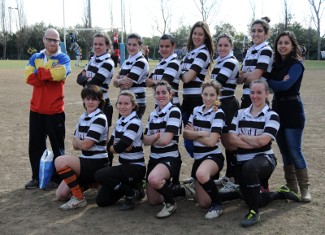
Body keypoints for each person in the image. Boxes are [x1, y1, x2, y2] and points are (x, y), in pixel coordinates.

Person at [228, 80, 300, 227]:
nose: (255, 96)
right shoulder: (240, 113)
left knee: (250, 167)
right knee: (254, 198)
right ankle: (281, 194)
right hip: (242, 161)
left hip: (265, 159)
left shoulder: (272, 115)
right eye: (252, 92)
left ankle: (254, 213)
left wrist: (242, 137)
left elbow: (264, 141)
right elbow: (231, 140)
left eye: (259, 92)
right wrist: (253, 141)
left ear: (267, 94)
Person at [24, 28, 71, 190]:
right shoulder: (36, 57)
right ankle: (36, 177)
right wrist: (47, 75)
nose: (52, 43)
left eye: (56, 40)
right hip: (36, 110)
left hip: (55, 111)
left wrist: (40, 73)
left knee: (58, 147)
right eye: (49, 39)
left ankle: (58, 180)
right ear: (43, 40)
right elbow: (28, 77)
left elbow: (60, 74)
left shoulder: (63, 58)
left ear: (59, 42)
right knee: (36, 145)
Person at [268, 31, 311, 202]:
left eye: (286, 43)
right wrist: (275, 82)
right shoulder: (275, 64)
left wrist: (274, 82)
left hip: (293, 109)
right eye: (280, 43)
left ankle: (305, 188)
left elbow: (286, 85)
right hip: (277, 109)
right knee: (285, 152)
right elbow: (269, 82)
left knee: (295, 151)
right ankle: (292, 187)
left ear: (292, 45)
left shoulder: (297, 64)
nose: (283, 46)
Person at [54, 85, 108, 210]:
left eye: (94, 99)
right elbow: (75, 145)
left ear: (99, 101)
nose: (90, 102)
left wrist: (79, 142)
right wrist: (80, 143)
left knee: (60, 161)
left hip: (97, 163)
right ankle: (92, 182)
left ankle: (78, 198)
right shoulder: (83, 117)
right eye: (87, 99)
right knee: (61, 195)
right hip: (85, 161)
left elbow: (86, 145)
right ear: (83, 100)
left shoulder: (99, 118)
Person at [95, 91, 146, 210]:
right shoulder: (120, 121)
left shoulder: (135, 122)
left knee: (99, 175)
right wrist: (119, 146)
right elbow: (109, 146)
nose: (122, 106)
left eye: (126, 103)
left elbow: (117, 148)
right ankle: (135, 188)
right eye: (120, 103)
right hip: (124, 167)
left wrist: (117, 146)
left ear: (133, 105)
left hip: (135, 168)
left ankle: (130, 193)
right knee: (101, 201)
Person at [183, 81, 225, 219]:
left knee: (201, 174)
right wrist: (204, 133)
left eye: (212, 95)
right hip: (199, 158)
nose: (208, 98)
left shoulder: (218, 113)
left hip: (213, 157)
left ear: (217, 96)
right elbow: (185, 133)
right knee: (203, 203)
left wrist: (195, 133)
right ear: (201, 95)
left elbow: (212, 142)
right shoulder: (196, 110)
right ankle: (235, 192)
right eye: (205, 94)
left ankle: (218, 205)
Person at [144, 81, 182, 219]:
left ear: (171, 94)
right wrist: (155, 137)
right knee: (154, 201)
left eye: (164, 92)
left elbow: (166, 140)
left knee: (154, 179)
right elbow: (145, 140)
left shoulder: (174, 111)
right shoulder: (153, 114)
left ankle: (171, 204)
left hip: (169, 157)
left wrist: (152, 138)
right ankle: (173, 189)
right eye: (158, 93)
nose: (161, 95)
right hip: (154, 158)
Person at [76, 33, 115, 165]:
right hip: (91, 103)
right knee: (90, 136)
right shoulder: (93, 59)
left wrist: (86, 78)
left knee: (103, 140)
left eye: (101, 44)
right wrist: (87, 79)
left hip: (103, 104)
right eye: (95, 44)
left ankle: (106, 169)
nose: (97, 47)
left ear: (107, 46)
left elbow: (96, 82)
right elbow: (78, 78)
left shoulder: (108, 62)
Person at [179, 21, 215, 157]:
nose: (197, 36)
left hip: (196, 100)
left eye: (200, 34)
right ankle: (200, 169)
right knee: (189, 137)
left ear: (206, 36)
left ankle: (206, 165)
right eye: (194, 33)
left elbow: (187, 77)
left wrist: (177, 73)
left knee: (191, 139)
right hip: (187, 100)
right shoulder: (191, 53)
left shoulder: (203, 53)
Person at [211, 33, 240, 192]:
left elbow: (218, 83)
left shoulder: (231, 61)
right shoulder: (220, 61)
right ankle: (229, 175)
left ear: (231, 47)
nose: (222, 48)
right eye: (220, 45)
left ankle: (235, 180)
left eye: (225, 45)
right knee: (225, 142)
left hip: (228, 104)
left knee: (231, 143)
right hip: (220, 103)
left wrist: (205, 92)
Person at [238, 17, 273, 110]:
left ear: (266, 34)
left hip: (259, 99)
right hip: (246, 97)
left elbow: (254, 77)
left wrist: (245, 75)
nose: (256, 34)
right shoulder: (249, 51)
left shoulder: (266, 50)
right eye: (253, 31)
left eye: (259, 31)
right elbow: (239, 80)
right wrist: (248, 75)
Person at [112, 33, 149, 119]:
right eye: (129, 44)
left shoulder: (141, 61)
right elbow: (115, 81)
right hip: (125, 102)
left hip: (136, 103)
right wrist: (120, 81)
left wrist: (118, 82)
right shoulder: (126, 62)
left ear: (140, 46)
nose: (131, 47)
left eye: (134, 45)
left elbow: (127, 85)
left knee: (132, 130)